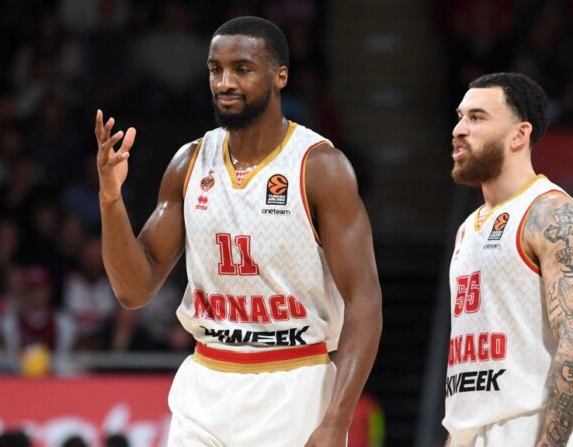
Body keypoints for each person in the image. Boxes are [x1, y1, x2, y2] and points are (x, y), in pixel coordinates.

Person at [96, 16, 382, 446]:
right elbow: (133, 290)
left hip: (296, 380)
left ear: (279, 76)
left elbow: (365, 300)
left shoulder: (320, 167)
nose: (224, 82)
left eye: (242, 69)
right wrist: (111, 201)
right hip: (207, 381)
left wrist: (337, 419)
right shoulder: (189, 163)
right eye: (216, 69)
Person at [443, 72, 573, 446]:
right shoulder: (468, 228)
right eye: (461, 116)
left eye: (477, 118)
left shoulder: (551, 214)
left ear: (519, 134)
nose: (459, 129)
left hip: (531, 429)